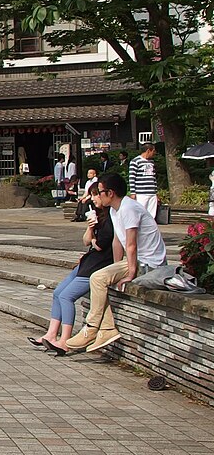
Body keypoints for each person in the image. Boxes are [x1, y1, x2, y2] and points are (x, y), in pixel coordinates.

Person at [66, 171, 167, 353]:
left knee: (97, 279)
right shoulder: (115, 210)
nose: (97, 196)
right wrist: (114, 267)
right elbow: (117, 241)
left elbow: (131, 245)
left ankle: (92, 328)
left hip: (148, 262)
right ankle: (106, 329)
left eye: (101, 191)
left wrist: (129, 274)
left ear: (110, 193)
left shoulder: (129, 208)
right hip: (134, 259)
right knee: (99, 279)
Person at [29, 183, 114, 355]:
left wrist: (94, 241)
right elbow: (86, 241)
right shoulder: (97, 216)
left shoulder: (112, 218)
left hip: (98, 265)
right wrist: (90, 228)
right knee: (58, 292)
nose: (93, 199)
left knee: (67, 296)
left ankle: (65, 341)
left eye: (96, 195)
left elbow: (101, 245)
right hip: (87, 262)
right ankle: (51, 334)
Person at [128, 143, 159, 218]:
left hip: (152, 193)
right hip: (141, 193)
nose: (154, 153)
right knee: (140, 213)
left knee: (151, 215)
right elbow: (132, 177)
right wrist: (133, 192)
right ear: (148, 150)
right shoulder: (135, 161)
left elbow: (153, 177)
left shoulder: (151, 162)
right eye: (153, 151)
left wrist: (156, 192)